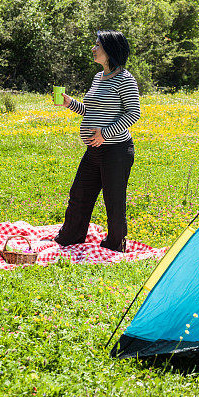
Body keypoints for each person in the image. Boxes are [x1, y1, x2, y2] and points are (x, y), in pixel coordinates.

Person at [54, 30, 140, 252]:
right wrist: (70, 103)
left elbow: (133, 113)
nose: (93, 48)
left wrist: (105, 134)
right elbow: (90, 111)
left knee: (114, 200)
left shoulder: (125, 79)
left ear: (110, 50)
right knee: (79, 194)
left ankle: (115, 244)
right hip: (94, 150)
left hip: (116, 151)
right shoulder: (98, 77)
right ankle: (70, 237)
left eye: (97, 45)